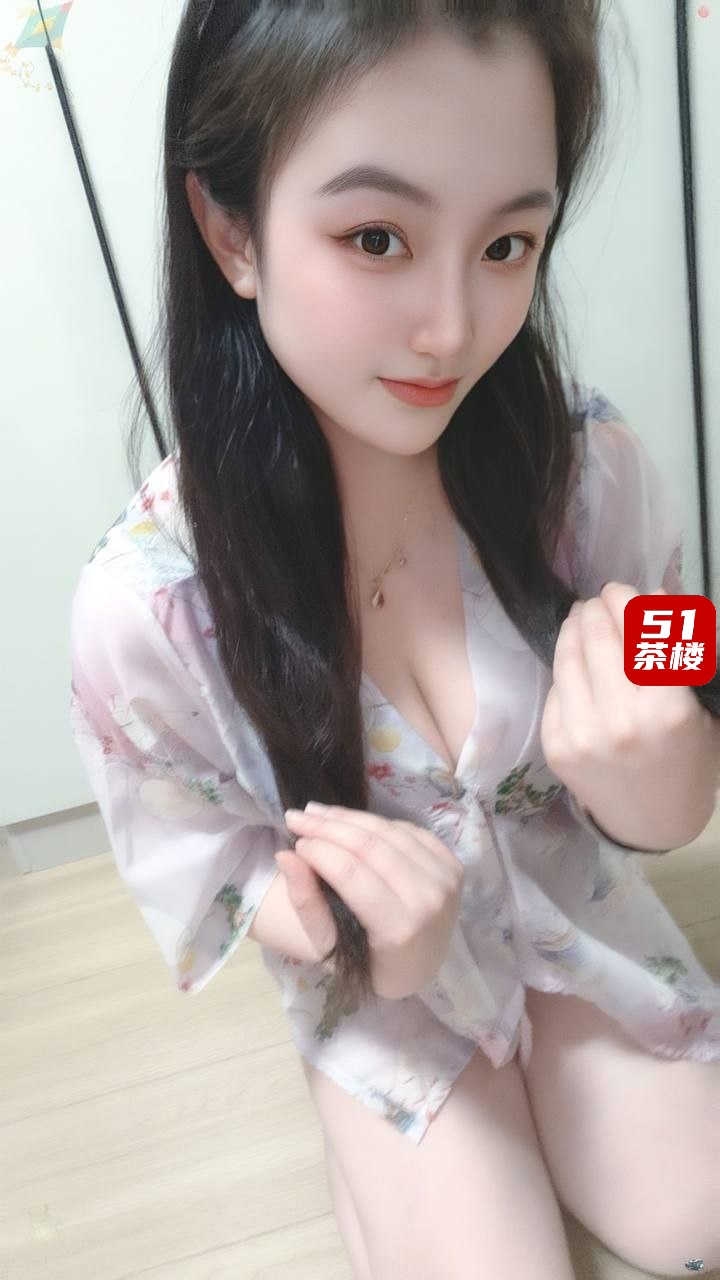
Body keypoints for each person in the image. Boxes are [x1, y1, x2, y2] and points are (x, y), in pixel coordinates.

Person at [68, 2, 720, 1276]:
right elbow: (214, 863)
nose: (453, 328)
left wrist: (661, 770)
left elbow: (688, 702)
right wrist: (364, 938)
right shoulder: (144, 613)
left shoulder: (599, 472)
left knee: (699, 1215)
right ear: (232, 231)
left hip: (572, 904)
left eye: (507, 242)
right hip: (381, 984)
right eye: (377, 238)